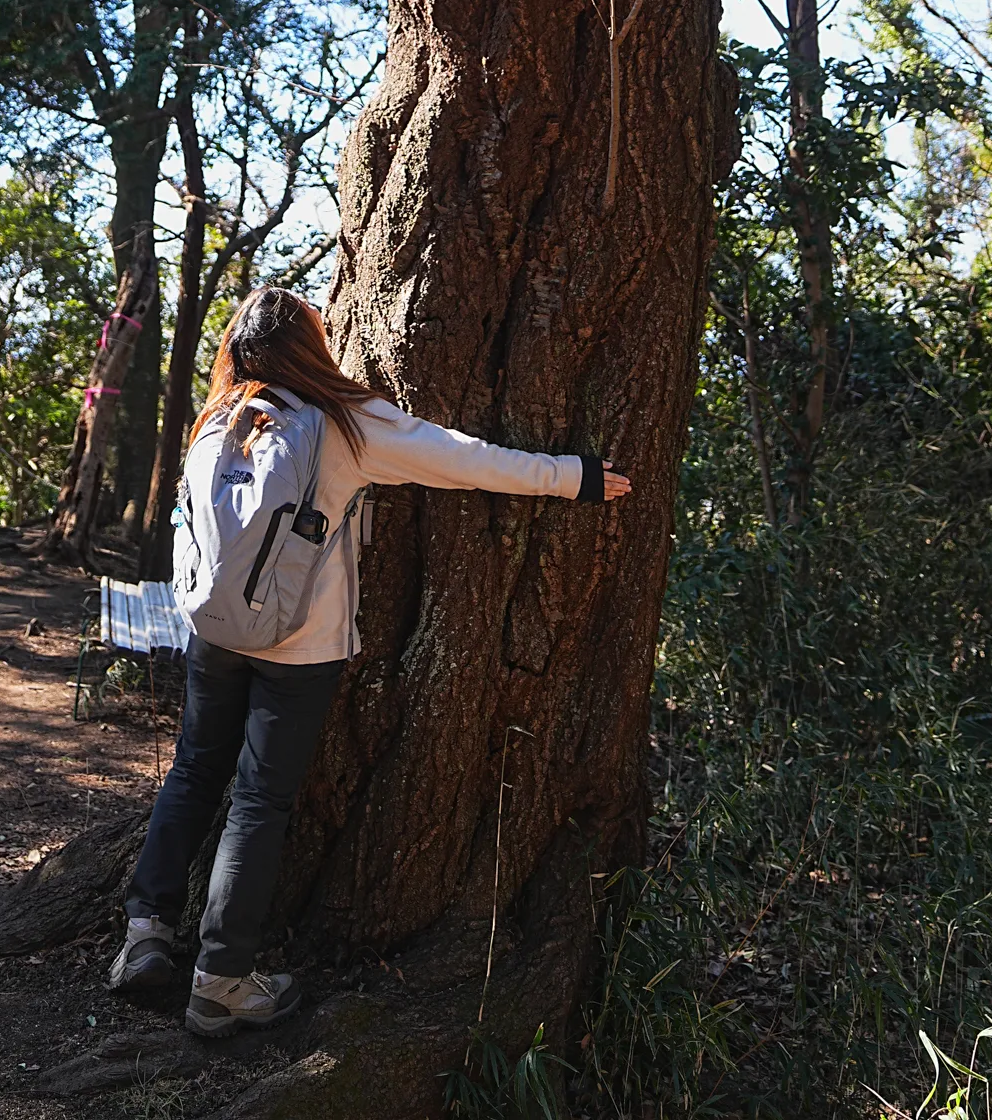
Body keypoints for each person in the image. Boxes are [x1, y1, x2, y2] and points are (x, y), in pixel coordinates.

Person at [107, 284, 631, 1038]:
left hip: (213, 632)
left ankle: (145, 935)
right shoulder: (345, 424)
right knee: (257, 802)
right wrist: (574, 476)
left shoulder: (219, 418)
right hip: (301, 646)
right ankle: (221, 981)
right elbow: (465, 460)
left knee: (193, 772)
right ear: (312, 348)